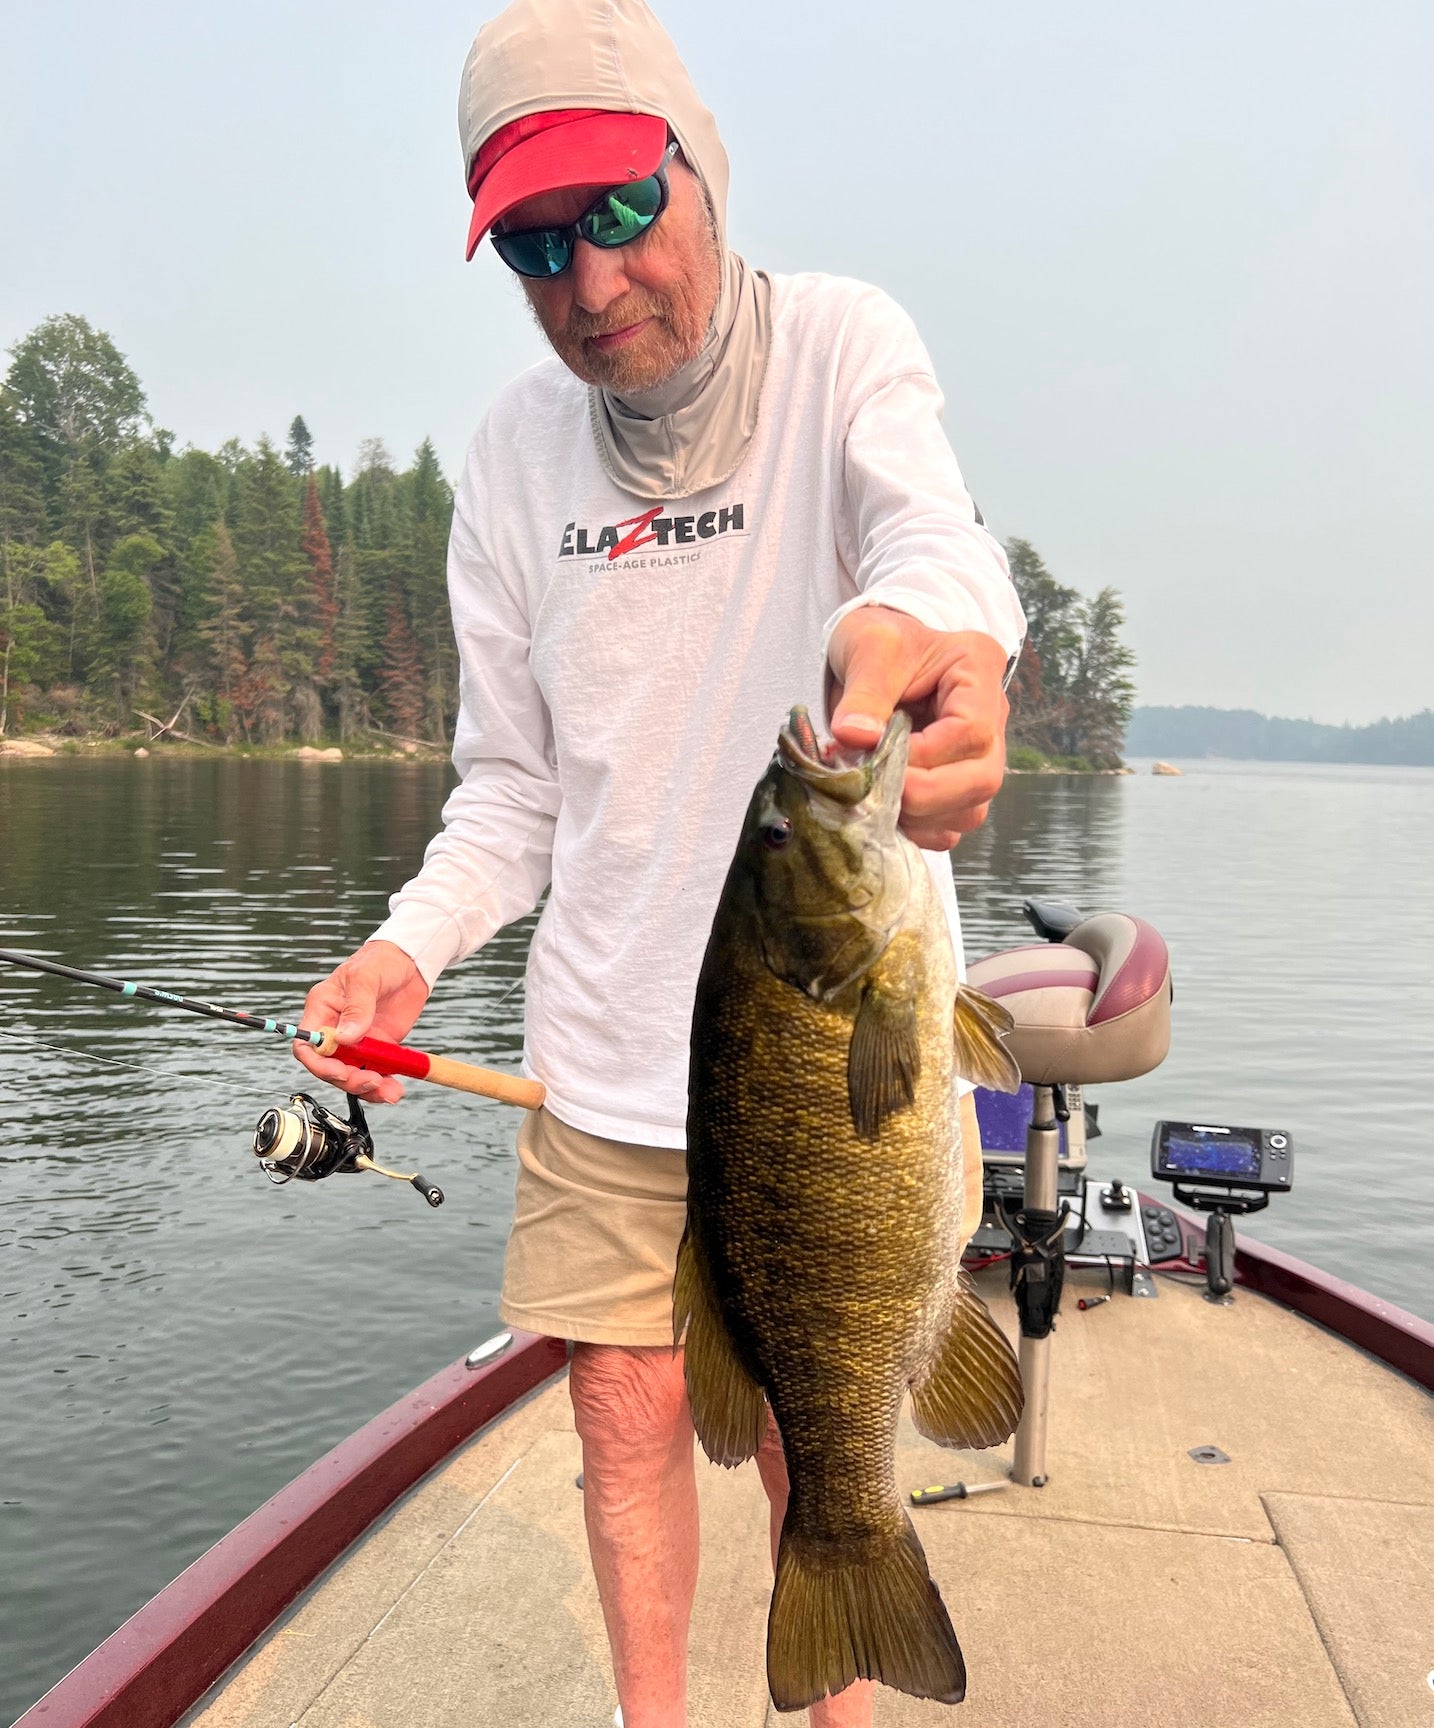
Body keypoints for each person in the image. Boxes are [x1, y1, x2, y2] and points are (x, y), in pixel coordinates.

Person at [297, 2, 1025, 1722]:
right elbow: (511, 794)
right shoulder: (509, 457)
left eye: (618, 211)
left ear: (698, 167)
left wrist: (935, 644)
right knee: (622, 1427)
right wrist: (408, 950)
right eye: (537, 245)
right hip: (603, 1063)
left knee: (811, 1429)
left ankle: (840, 1669)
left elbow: (931, 539)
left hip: (838, 1086)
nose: (590, 279)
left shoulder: (840, 343)